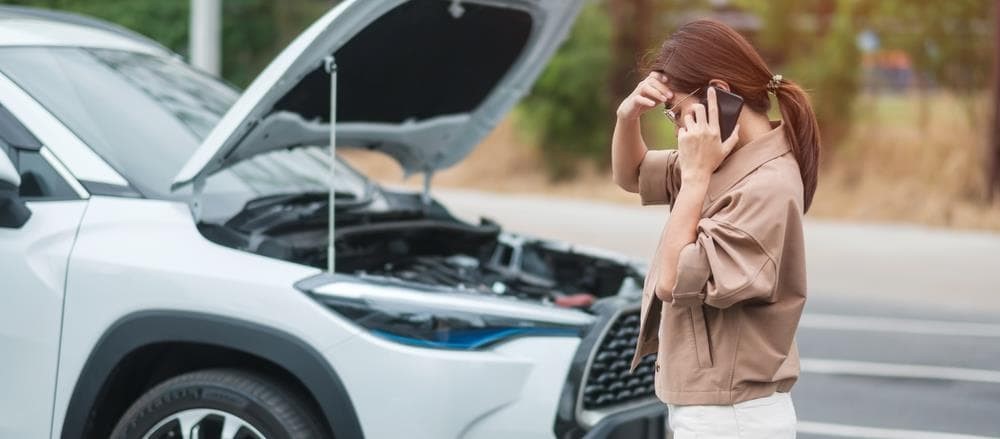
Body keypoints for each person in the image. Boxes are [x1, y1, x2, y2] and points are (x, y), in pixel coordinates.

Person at [611, 19, 820, 439]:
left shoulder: (766, 184)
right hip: (713, 409)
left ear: (718, 94)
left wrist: (694, 178)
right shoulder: (728, 159)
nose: (677, 126)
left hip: (732, 416)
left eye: (678, 112)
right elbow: (632, 175)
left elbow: (673, 280)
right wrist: (627, 115)